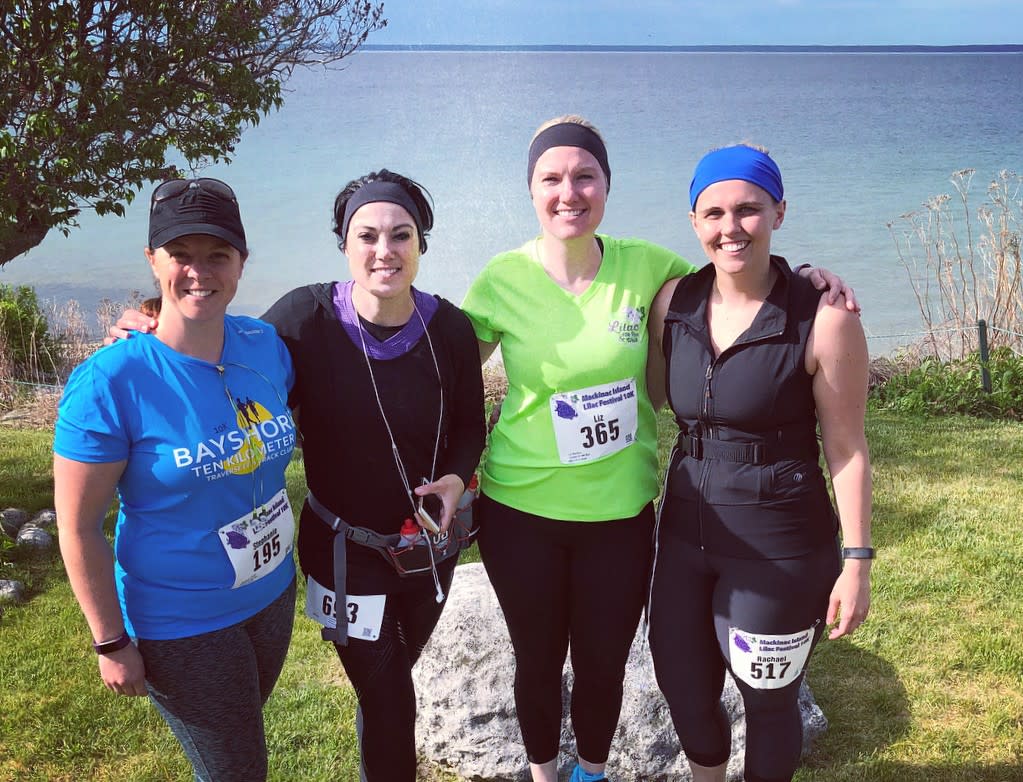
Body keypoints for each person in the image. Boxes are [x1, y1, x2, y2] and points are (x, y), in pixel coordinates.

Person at [460, 116, 857, 782]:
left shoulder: (650, 270)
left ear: (607, 186)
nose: (569, 192)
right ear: (530, 189)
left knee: (604, 660)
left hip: (620, 511)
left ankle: (591, 772)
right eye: (550, 178)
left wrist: (809, 278)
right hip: (519, 508)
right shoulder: (500, 278)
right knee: (536, 658)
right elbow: (445, 375)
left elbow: (739, 275)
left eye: (585, 175)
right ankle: (542, 775)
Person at [108, 170, 487, 782]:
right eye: (367, 235)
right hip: (342, 550)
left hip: (428, 551)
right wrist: (152, 324)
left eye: (401, 235)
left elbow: (471, 423)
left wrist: (453, 478)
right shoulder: (307, 317)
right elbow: (223, 341)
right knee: (390, 694)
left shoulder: (451, 328)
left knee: (388, 686)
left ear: (422, 243)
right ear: (344, 243)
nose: (383, 251)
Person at [55, 178, 298, 782]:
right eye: (180, 253)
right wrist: (110, 641)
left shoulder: (264, 345)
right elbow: (78, 526)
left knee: (233, 751)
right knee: (238, 772)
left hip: (271, 595)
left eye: (218, 254)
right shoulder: (111, 381)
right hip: (182, 619)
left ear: (242, 263)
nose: (199, 271)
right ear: (152, 260)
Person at [645, 144, 872, 782]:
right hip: (685, 536)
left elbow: (848, 449)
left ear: (779, 212)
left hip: (781, 541)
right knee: (684, 691)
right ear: (694, 222)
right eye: (713, 212)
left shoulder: (824, 319)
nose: (731, 227)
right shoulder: (672, 303)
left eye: (748, 209)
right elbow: (655, 393)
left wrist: (857, 561)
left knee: (767, 703)